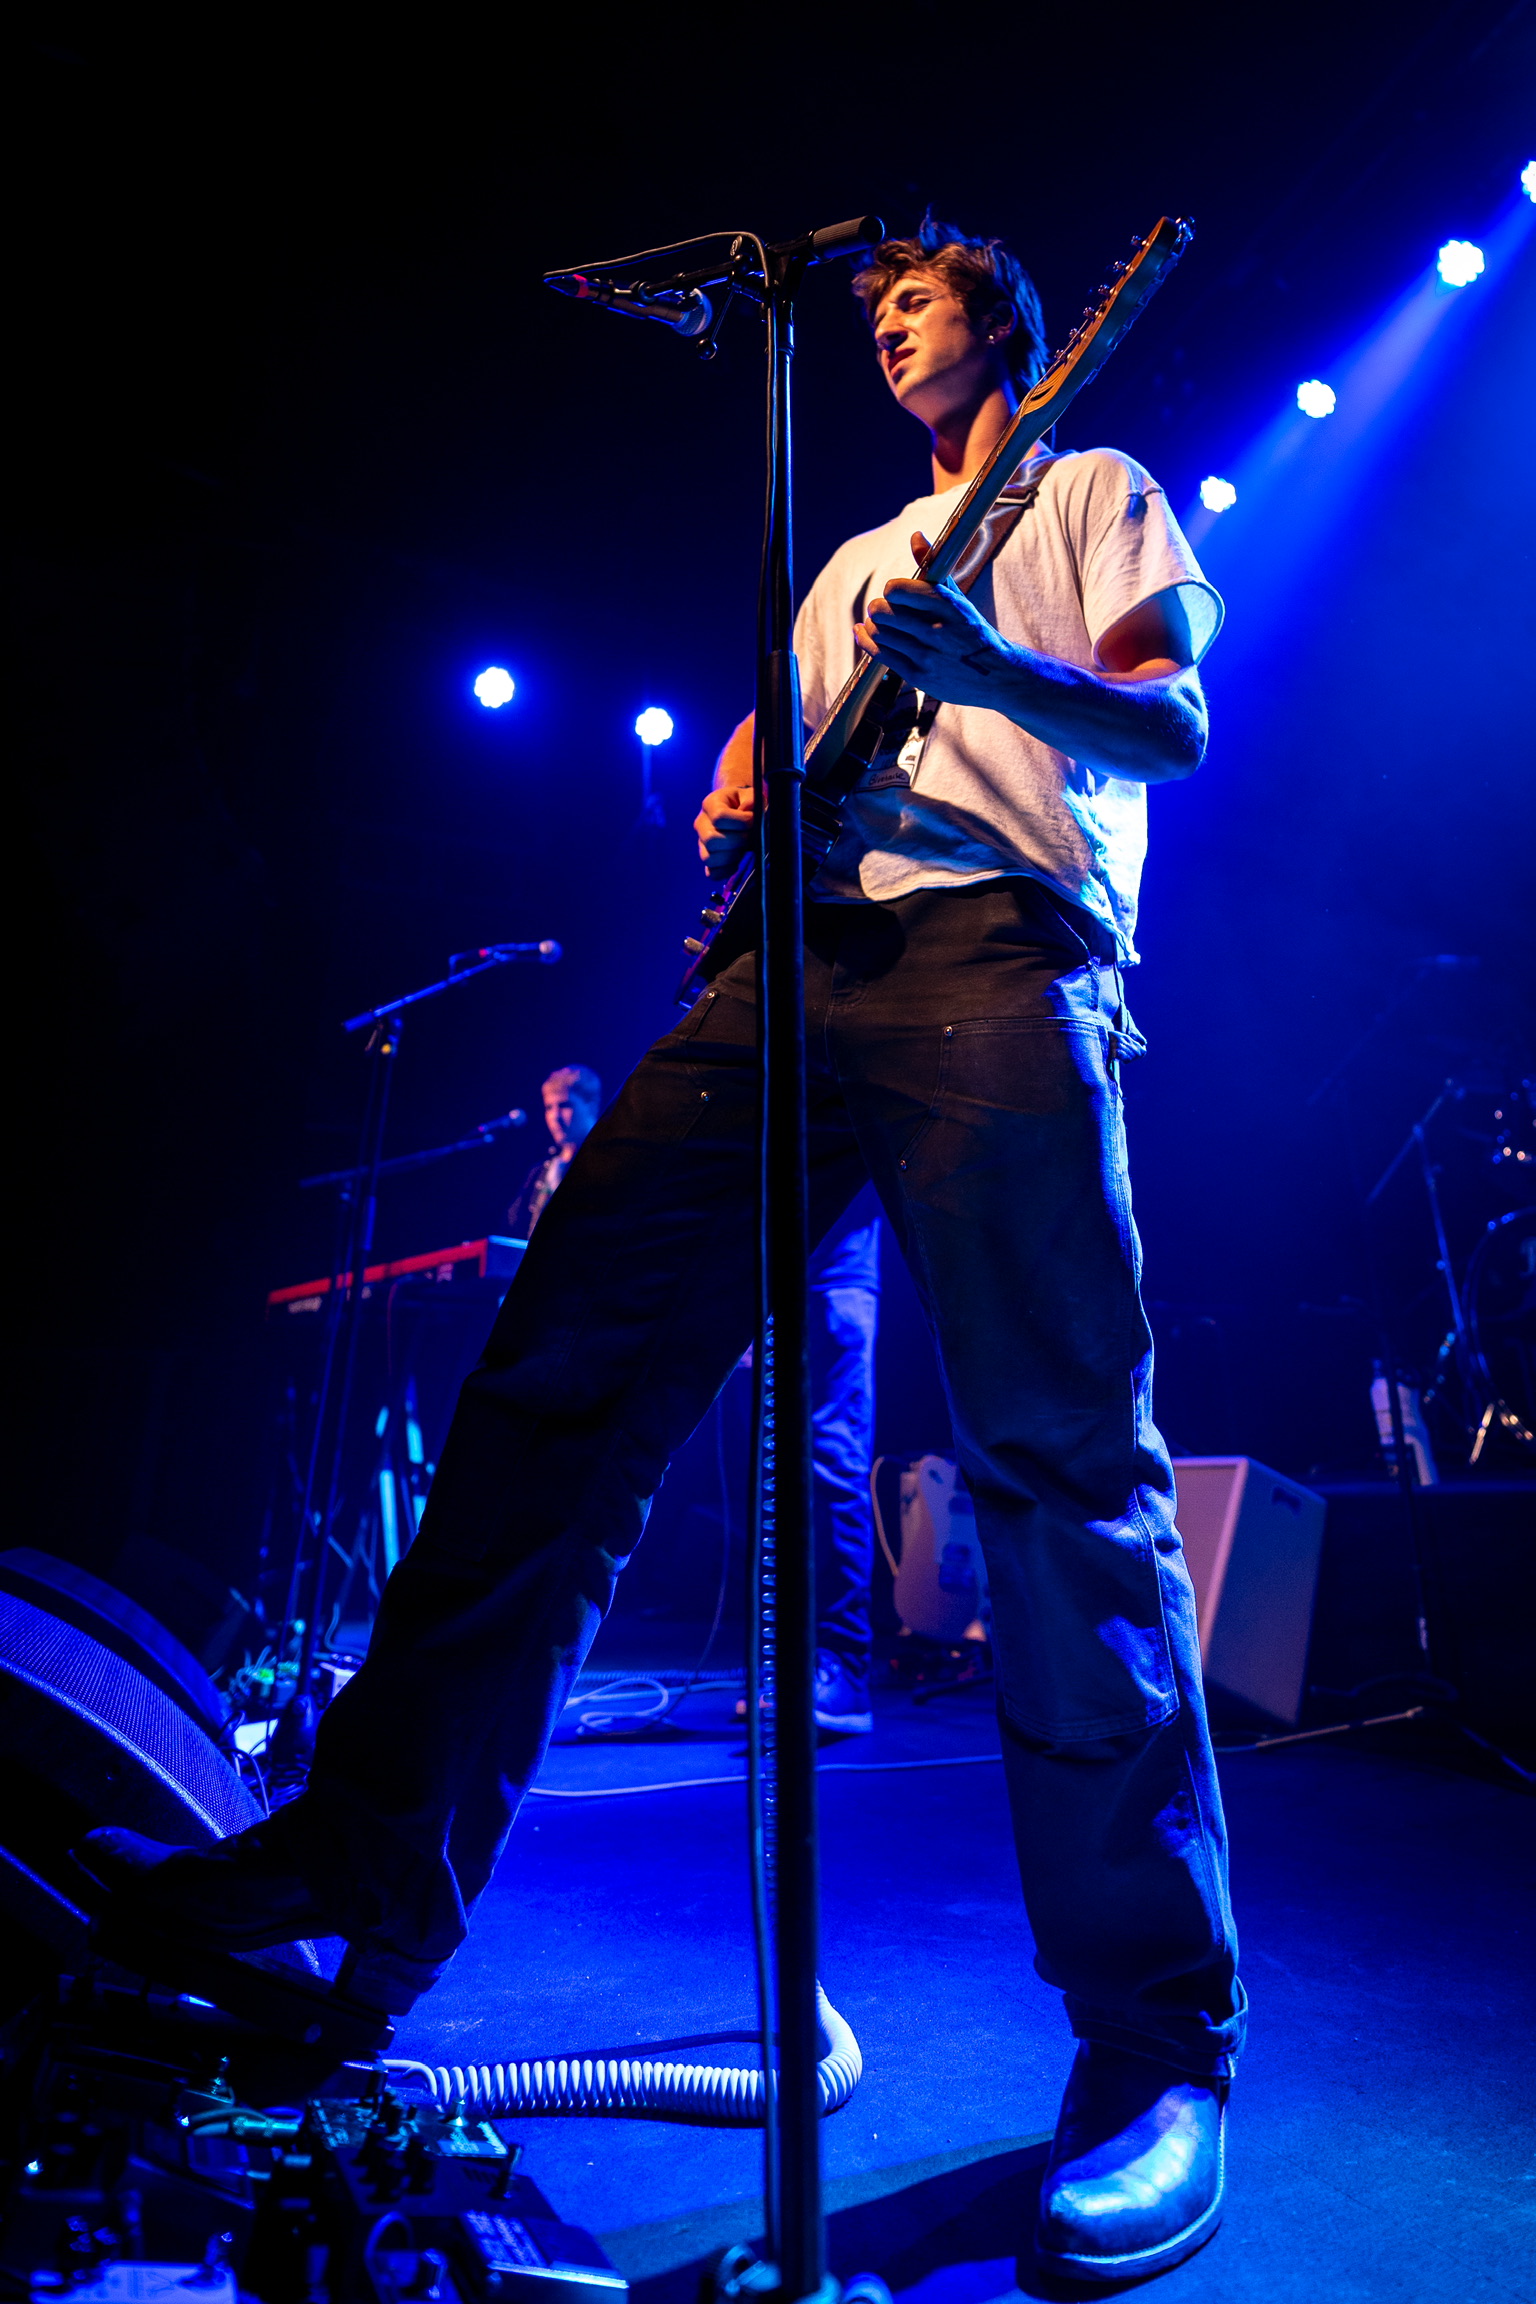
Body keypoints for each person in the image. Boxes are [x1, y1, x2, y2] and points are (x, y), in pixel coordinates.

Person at [78, 217, 1243, 2285]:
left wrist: (997, 678)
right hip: (792, 976)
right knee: (551, 1395)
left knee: (1063, 1475)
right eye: (872, 297)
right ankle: (364, 1862)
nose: (889, 313)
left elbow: (1165, 731)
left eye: (930, 289)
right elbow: (776, 769)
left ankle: (1160, 2050)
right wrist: (739, 804)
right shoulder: (842, 562)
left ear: (1016, 324)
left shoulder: (1086, 494)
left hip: (1004, 956)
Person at [507, 1063, 602, 1238]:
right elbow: (512, 1234)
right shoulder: (539, 1172)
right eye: (549, 1107)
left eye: (565, 1105)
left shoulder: (611, 1162)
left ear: (592, 1105)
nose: (555, 1117)